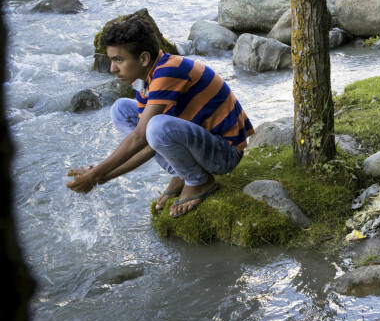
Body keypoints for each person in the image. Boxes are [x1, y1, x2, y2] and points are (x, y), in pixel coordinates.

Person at [66, 18, 254, 218]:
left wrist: (96, 174)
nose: (112, 68)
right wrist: (100, 177)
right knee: (120, 109)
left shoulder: (168, 70)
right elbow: (148, 147)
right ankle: (181, 173)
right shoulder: (145, 81)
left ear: (144, 59)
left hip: (225, 153)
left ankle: (198, 181)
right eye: (112, 60)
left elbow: (142, 138)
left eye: (118, 60)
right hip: (203, 145)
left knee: (155, 126)